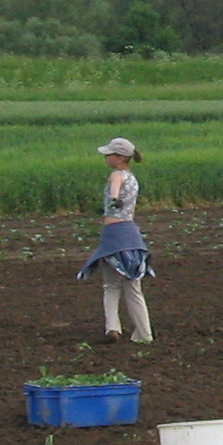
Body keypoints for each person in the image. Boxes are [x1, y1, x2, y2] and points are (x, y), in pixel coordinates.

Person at [77, 137, 154, 344]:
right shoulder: (133, 179)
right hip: (131, 233)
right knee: (133, 285)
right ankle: (145, 334)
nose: (106, 157)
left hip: (114, 234)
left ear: (119, 158)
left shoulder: (117, 174)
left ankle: (113, 327)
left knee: (111, 286)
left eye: (109, 154)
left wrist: (114, 198)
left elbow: (114, 189)